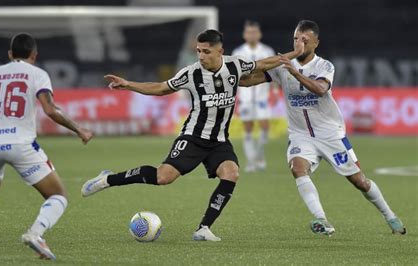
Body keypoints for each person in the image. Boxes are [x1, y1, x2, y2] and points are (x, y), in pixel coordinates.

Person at [81, 29, 304, 241]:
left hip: (218, 141)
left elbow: (262, 64)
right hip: (193, 137)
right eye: (198, 51)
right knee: (163, 177)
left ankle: (204, 228)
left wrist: (294, 54)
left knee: (231, 173)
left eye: (206, 51)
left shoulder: (235, 64)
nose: (201, 56)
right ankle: (107, 179)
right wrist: (128, 84)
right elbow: (160, 88)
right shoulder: (191, 73)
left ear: (220, 51)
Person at [239, 20, 406, 235]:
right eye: (295, 39)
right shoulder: (283, 66)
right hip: (300, 134)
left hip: (330, 134)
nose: (299, 43)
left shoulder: (325, 66)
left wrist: (296, 73)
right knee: (298, 168)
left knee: (359, 181)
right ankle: (321, 220)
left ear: (316, 42)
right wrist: (231, 77)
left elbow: (320, 89)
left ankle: (390, 216)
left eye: (304, 40)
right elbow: (248, 79)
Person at [0, 33, 94, 260]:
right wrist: (79, 129)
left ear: (10, 55)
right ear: (34, 55)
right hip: (20, 144)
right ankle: (36, 234)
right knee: (58, 195)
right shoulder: (37, 74)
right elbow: (50, 110)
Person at [232, 20, 280, 172]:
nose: (251, 35)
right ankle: (251, 162)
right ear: (244, 34)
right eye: (249, 32)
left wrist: (276, 91)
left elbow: (274, 72)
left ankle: (258, 156)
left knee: (265, 127)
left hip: (262, 97)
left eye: (254, 32)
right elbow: (233, 76)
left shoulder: (267, 51)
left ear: (259, 34)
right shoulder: (238, 52)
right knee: (248, 128)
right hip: (245, 96)